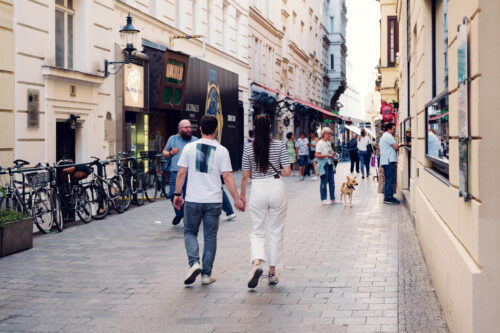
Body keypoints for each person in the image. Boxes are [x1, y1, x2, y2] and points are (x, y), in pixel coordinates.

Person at [173, 115, 245, 286]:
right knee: (210, 236)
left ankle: (194, 263)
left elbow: (181, 173)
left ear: (200, 129)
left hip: (193, 199)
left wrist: (177, 194)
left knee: (190, 232)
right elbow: (227, 176)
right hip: (213, 201)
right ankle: (206, 275)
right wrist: (237, 199)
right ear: (216, 130)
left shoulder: (189, 148)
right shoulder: (222, 150)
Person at [240, 114, 291, 288]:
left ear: (255, 127)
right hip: (276, 187)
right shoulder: (279, 145)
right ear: (270, 127)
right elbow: (287, 172)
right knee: (276, 231)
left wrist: (242, 196)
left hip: (258, 188)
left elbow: (245, 175)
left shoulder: (248, 148)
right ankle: (272, 272)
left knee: (257, 230)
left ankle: (256, 264)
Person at [163, 120, 198, 225]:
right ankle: (180, 213)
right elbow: (164, 152)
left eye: (190, 127)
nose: (189, 129)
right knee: (172, 195)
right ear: (180, 129)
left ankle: (189, 217)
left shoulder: (195, 140)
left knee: (189, 196)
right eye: (186, 127)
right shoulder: (172, 139)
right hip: (175, 172)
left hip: (191, 173)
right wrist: (170, 153)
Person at [379, 122, 405, 205]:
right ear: (389, 129)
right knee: (390, 179)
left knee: (389, 180)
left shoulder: (385, 136)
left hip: (386, 161)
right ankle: (389, 198)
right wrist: (401, 144)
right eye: (393, 129)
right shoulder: (388, 136)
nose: (394, 131)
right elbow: (396, 147)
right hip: (388, 161)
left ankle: (387, 197)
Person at [316, 127, 336, 205]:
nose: (329, 135)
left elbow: (330, 150)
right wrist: (327, 155)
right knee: (324, 182)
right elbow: (317, 155)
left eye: (330, 134)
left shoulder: (328, 142)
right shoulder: (319, 143)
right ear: (323, 134)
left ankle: (332, 198)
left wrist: (332, 153)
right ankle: (323, 199)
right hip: (323, 164)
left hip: (330, 163)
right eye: (328, 134)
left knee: (332, 182)